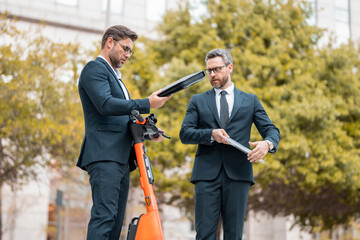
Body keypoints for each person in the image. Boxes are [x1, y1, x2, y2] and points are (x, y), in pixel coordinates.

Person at [77, 25, 171, 240]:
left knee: (115, 222)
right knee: (104, 218)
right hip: (104, 155)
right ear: (110, 42)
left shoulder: (116, 77)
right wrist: (147, 102)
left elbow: (122, 115)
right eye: (125, 48)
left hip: (120, 158)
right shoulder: (95, 69)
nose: (128, 55)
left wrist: (148, 129)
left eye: (131, 51)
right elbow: (105, 105)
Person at [179, 48, 280, 240]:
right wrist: (210, 134)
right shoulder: (198, 101)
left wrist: (267, 144)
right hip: (206, 175)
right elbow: (185, 133)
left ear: (230, 67)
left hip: (238, 174)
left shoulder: (251, 101)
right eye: (209, 70)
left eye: (216, 69)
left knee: (234, 234)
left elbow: (272, 130)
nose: (212, 74)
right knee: (204, 234)